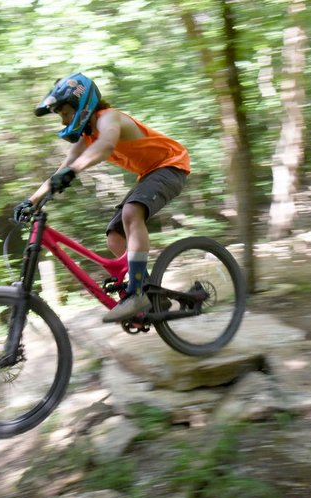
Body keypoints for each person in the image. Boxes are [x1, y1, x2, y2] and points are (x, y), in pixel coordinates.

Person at [15, 73, 190, 323]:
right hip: (150, 173)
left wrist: (72, 171)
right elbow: (62, 169)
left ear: (82, 105)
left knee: (131, 213)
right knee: (115, 236)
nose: (63, 120)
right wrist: (30, 201)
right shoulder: (87, 138)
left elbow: (106, 145)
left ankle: (137, 291)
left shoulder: (109, 118)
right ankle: (152, 295)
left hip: (171, 164)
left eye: (65, 113)